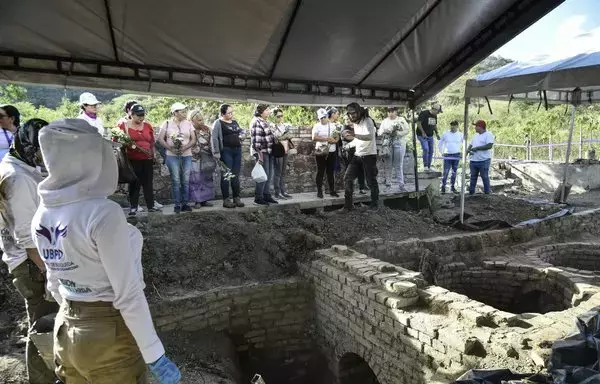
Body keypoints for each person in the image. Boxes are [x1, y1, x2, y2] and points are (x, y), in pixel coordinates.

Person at [31, 118, 181, 384]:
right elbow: (128, 294)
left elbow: (54, 282)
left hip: (66, 329)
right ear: (90, 157)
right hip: (108, 336)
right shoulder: (102, 213)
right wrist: (153, 353)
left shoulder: (42, 214)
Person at [0, 118, 59, 384]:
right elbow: (26, 236)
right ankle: (42, 379)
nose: (43, 158)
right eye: (40, 152)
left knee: (46, 322)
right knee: (43, 326)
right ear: (26, 146)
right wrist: (49, 272)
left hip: (32, 260)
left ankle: (50, 374)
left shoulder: (22, 168)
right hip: (31, 263)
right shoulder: (18, 178)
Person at [118, 104, 159, 216]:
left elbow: (152, 141)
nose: (141, 118)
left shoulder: (147, 126)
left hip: (147, 158)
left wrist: (153, 153)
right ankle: (133, 207)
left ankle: (150, 206)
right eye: (138, 115)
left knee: (148, 183)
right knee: (134, 183)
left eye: (143, 115)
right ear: (132, 115)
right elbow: (117, 140)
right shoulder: (124, 126)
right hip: (132, 159)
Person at [157, 102, 196, 213]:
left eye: (185, 111)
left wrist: (185, 148)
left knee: (186, 180)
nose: (184, 113)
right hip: (172, 156)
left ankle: (185, 203)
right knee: (176, 180)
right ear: (175, 113)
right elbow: (160, 139)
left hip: (186, 155)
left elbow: (193, 139)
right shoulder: (167, 123)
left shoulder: (188, 123)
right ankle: (177, 204)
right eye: (182, 111)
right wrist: (170, 148)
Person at [344, 102, 379, 210]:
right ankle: (348, 206)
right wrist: (348, 145)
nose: (351, 116)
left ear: (359, 111)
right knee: (347, 178)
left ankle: (375, 206)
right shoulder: (356, 123)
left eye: (353, 113)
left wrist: (355, 135)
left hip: (369, 155)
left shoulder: (367, 121)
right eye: (349, 114)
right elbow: (358, 140)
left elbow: (369, 136)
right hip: (357, 155)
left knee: (371, 182)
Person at [211, 104, 245, 209]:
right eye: (229, 113)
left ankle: (236, 197)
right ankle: (226, 199)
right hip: (226, 151)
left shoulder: (234, 122)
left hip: (237, 150)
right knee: (226, 175)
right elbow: (214, 137)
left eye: (232, 112)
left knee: (235, 175)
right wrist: (216, 152)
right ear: (222, 113)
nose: (231, 114)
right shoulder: (218, 122)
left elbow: (241, 131)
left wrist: (242, 135)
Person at [250, 104, 277, 206]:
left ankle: (266, 195)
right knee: (262, 175)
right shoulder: (257, 122)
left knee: (269, 175)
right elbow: (256, 141)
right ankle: (258, 198)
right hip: (262, 152)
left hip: (269, 151)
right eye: (267, 110)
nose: (269, 111)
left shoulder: (265, 122)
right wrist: (260, 155)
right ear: (261, 112)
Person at [378, 106, 409, 192]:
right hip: (388, 144)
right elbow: (379, 132)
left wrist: (397, 133)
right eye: (389, 111)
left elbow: (407, 130)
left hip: (399, 143)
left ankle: (401, 184)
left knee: (398, 165)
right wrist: (385, 132)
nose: (390, 113)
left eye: (392, 111)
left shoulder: (401, 119)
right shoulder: (385, 121)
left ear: (396, 112)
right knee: (388, 165)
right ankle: (388, 184)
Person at [188, 109, 215, 208]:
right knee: (196, 179)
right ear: (192, 120)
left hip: (207, 157)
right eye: (199, 120)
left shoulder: (207, 129)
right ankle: (197, 200)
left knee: (206, 178)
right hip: (194, 158)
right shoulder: (189, 129)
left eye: (202, 120)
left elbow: (212, 142)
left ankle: (205, 200)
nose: (202, 122)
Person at [312, 108, 339, 198]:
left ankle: (332, 190)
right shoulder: (316, 126)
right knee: (320, 172)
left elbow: (337, 137)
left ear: (327, 116)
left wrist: (334, 141)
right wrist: (326, 139)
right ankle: (319, 191)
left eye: (324, 117)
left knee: (330, 172)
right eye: (321, 118)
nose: (323, 119)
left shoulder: (333, 126)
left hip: (332, 151)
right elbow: (314, 137)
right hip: (321, 151)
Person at [468, 119, 495, 195]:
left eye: (476, 126)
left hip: (484, 160)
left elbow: (489, 145)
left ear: (480, 127)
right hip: (474, 160)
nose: (475, 128)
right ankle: (471, 192)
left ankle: (487, 193)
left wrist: (477, 148)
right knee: (473, 177)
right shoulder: (475, 135)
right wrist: (467, 151)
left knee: (484, 177)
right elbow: (470, 145)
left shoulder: (488, 134)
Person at [340, 118, 367, 195]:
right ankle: (351, 190)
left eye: (350, 119)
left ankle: (362, 188)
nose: (348, 120)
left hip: (358, 152)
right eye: (347, 119)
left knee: (361, 170)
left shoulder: (357, 127)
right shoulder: (344, 127)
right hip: (348, 153)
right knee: (350, 171)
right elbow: (348, 137)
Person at [271, 108, 293, 200]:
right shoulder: (272, 126)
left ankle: (283, 191)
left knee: (283, 172)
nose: (280, 118)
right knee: (277, 172)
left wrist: (283, 136)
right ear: (274, 117)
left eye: (281, 115)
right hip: (277, 150)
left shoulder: (285, 125)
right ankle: (277, 192)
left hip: (285, 150)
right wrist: (284, 136)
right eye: (278, 116)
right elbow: (276, 138)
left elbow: (290, 135)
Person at [438, 120, 464, 194]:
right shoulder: (446, 134)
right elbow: (440, 143)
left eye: (454, 126)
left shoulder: (460, 134)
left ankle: (452, 187)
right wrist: (441, 152)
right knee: (446, 172)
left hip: (456, 154)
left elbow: (465, 143)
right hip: (447, 155)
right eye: (451, 125)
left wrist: (463, 152)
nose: (452, 127)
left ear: (457, 126)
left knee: (454, 172)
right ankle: (443, 187)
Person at [416, 102, 442, 172]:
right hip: (421, 135)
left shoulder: (435, 116)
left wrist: (437, 133)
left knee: (431, 151)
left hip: (430, 135)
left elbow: (434, 125)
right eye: (438, 112)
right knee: (426, 148)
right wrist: (423, 132)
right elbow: (418, 123)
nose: (438, 113)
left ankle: (429, 166)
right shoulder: (424, 113)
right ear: (435, 110)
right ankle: (425, 166)